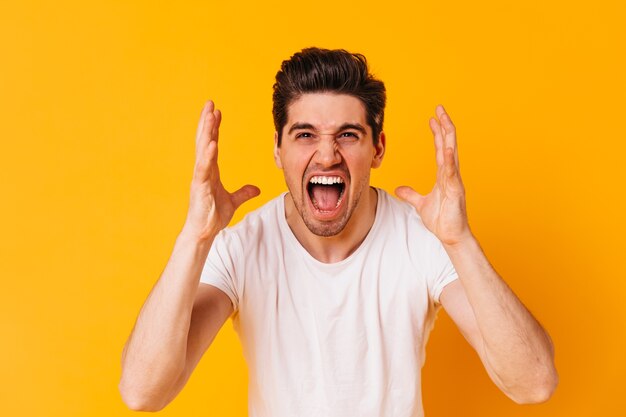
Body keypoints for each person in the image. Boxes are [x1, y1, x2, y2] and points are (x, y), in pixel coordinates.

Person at [119, 47, 558, 416]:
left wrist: (460, 242)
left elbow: (533, 383)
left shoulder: (422, 241)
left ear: (377, 148)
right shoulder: (241, 247)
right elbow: (143, 393)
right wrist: (195, 238)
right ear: (278, 149)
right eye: (305, 134)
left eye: (347, 134)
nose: (327, 155)